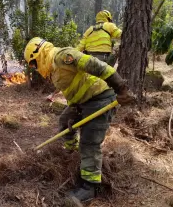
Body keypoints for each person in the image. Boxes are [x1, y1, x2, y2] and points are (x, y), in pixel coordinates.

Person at [24, 37, 133, 202]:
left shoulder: (62, 56)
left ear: (37, 54)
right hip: (83, 102)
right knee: (64, 122)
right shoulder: (54, 68)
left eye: (33, 64)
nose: (34, 68)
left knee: (89, 143)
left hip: (99, 99)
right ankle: (73, 153)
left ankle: (90, 187)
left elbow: (96, 65)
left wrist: (121, 88)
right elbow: (74, 89)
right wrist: (74, 111)